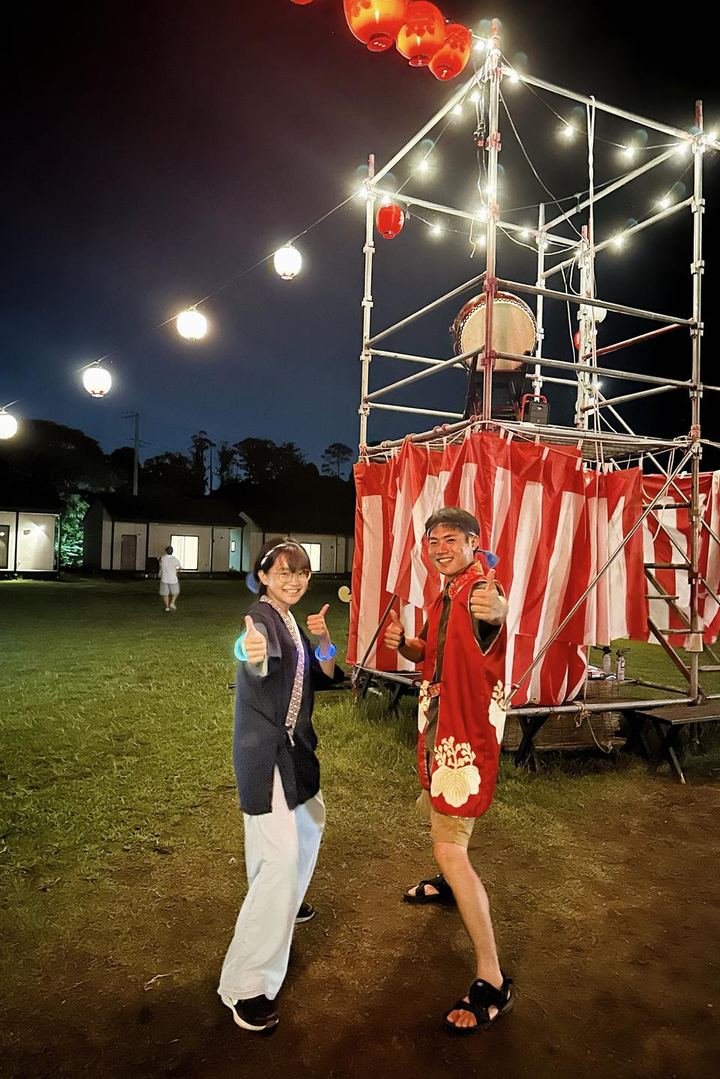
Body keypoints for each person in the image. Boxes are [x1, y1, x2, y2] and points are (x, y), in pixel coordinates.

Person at [383, 507, 512, 1034]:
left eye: (451, 539)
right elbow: (432, 652)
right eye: (433, 540)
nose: (439, 548)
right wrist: (406, 645)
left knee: (449, 845)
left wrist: (498, 610)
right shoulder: (445, 592)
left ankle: (492, 978)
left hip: (464, 733)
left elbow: (493, 616)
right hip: (440, 725)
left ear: (474, 542)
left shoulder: (479, 587)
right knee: (440, 812)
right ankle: (449, 883)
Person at [218, 538, 342, 1034]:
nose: (294, 580)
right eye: (284, 572)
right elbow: (255, 657)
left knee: (309, 822)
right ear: (264, 576)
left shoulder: (290, 620)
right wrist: (246, 651)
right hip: (266, 751)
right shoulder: (263, 618)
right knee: (279, 857)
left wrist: (324, 641)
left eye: (302, 573)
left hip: (295, 750)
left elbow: (324, 673)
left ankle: (285, 900)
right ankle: (245, 984)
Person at [158, 545, 182, 611]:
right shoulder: (175, 559)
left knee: (165, 594)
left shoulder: (162, 558)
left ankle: (167, 606)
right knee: (176, 592)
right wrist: (176, 571)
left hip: (164, 578)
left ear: (166, 551)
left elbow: (160, 565)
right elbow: (180, 568)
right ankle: (172, 603)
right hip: (173, 578)